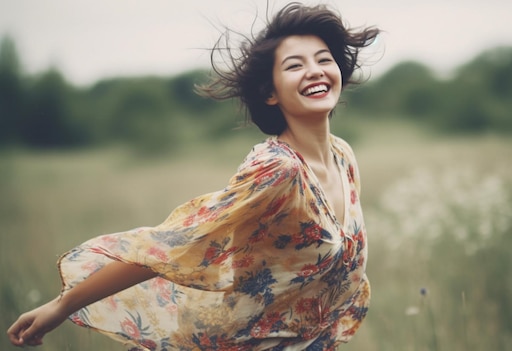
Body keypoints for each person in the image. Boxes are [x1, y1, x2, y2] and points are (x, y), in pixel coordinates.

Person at [7, 2, 380, 350]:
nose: (314, 70)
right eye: (295, 65)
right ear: (270, 93)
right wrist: (62, 306)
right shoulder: (278, 171)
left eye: (323, 59)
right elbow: (174, 244)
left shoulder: (342, 156)